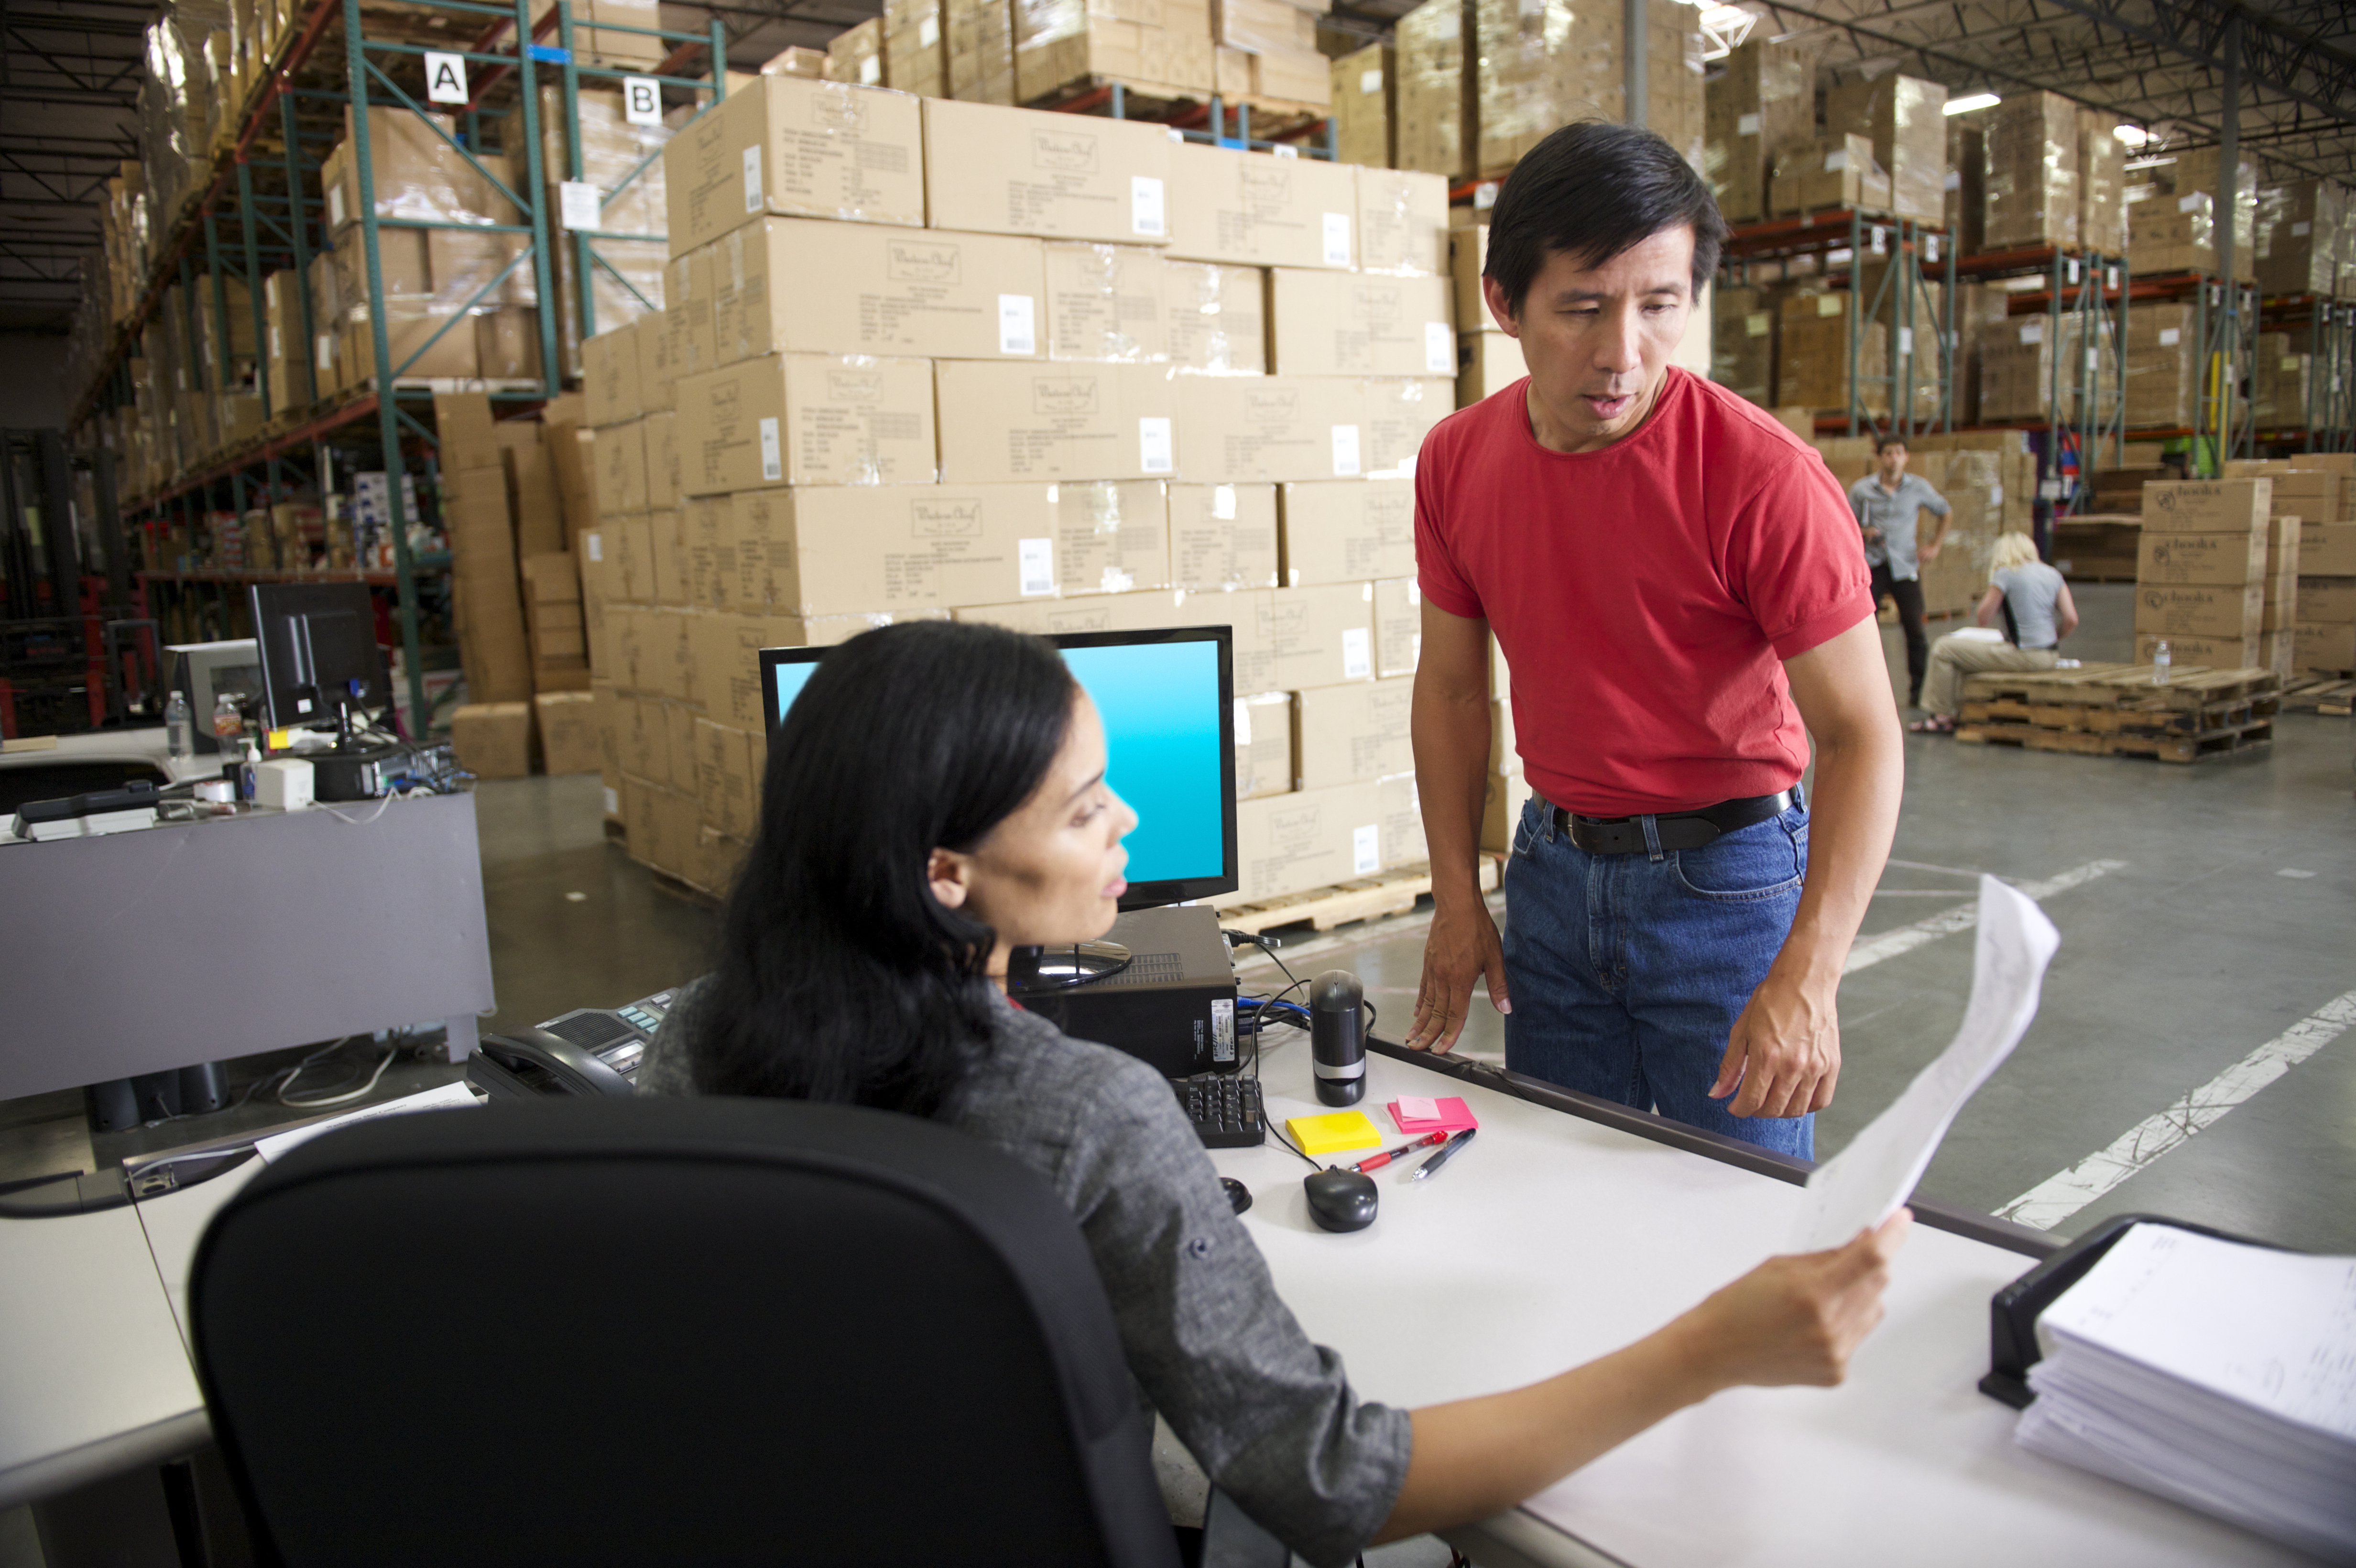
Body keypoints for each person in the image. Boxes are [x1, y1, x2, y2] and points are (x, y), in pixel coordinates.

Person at [636, 621, 1909, 1567]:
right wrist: (1706, 1352)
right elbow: (1326, 1477)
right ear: (946, 874)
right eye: (1084, 811)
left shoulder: (693, 1046)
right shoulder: (1089, 1118)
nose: (1128, 820)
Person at [1406, 121, 1905, 1162]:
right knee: (1563, 1192)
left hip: (1728, 885)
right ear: (1504, 303)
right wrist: (1459, 899)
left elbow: (1860, 734)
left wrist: (1807, 975)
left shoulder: (1762, 477)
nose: (1620, 353)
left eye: (1659, 306)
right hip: (1552, 875)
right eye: (1581, 308)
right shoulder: (1456, 461)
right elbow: (1454, 692)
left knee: (1738, 1225)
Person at [1912, 531, 2078, 734]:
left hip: (2025, 656)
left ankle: (1941, 716)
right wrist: (2053, 637)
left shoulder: (2006, 573)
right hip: (2050, 655)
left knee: (1944, 648)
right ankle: (1959, 707)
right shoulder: (2052, 574)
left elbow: (1983, 617)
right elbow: (2071, 619)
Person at [1847, 435, 1953, 709]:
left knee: (1915, 629)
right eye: (1888, 453)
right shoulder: (1862, 490)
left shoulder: (1918, 487)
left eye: (1898, 453)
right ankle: (1862, 692)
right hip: (1873, 564)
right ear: (1880, 457)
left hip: (1905, 565)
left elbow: (1945, 511)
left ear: (1906, 456)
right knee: (1863, 629)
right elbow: (1843, 523)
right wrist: (1862, 532)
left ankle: (1920, 693)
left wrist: (1935, 546)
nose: (1893, 459)